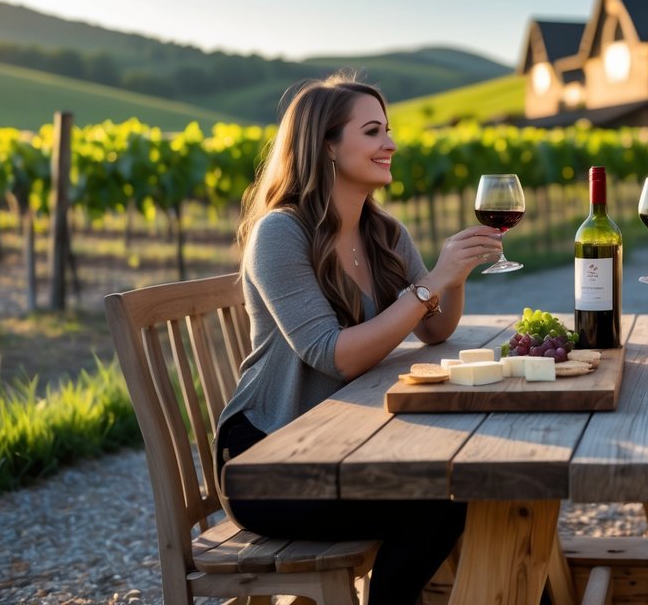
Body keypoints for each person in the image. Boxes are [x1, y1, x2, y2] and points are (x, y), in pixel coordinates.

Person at [214, 71, 506, 605]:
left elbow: (436, 329)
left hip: (349, 447)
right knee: (445, 499)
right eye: (373, 132)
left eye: (388, 131)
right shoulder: (281, 233)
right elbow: (333, 356)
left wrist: (452, 278)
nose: (390, 144)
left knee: (481, 483)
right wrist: (429, 284)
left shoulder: (386, 233)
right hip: (270, 462)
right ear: (325, 145)